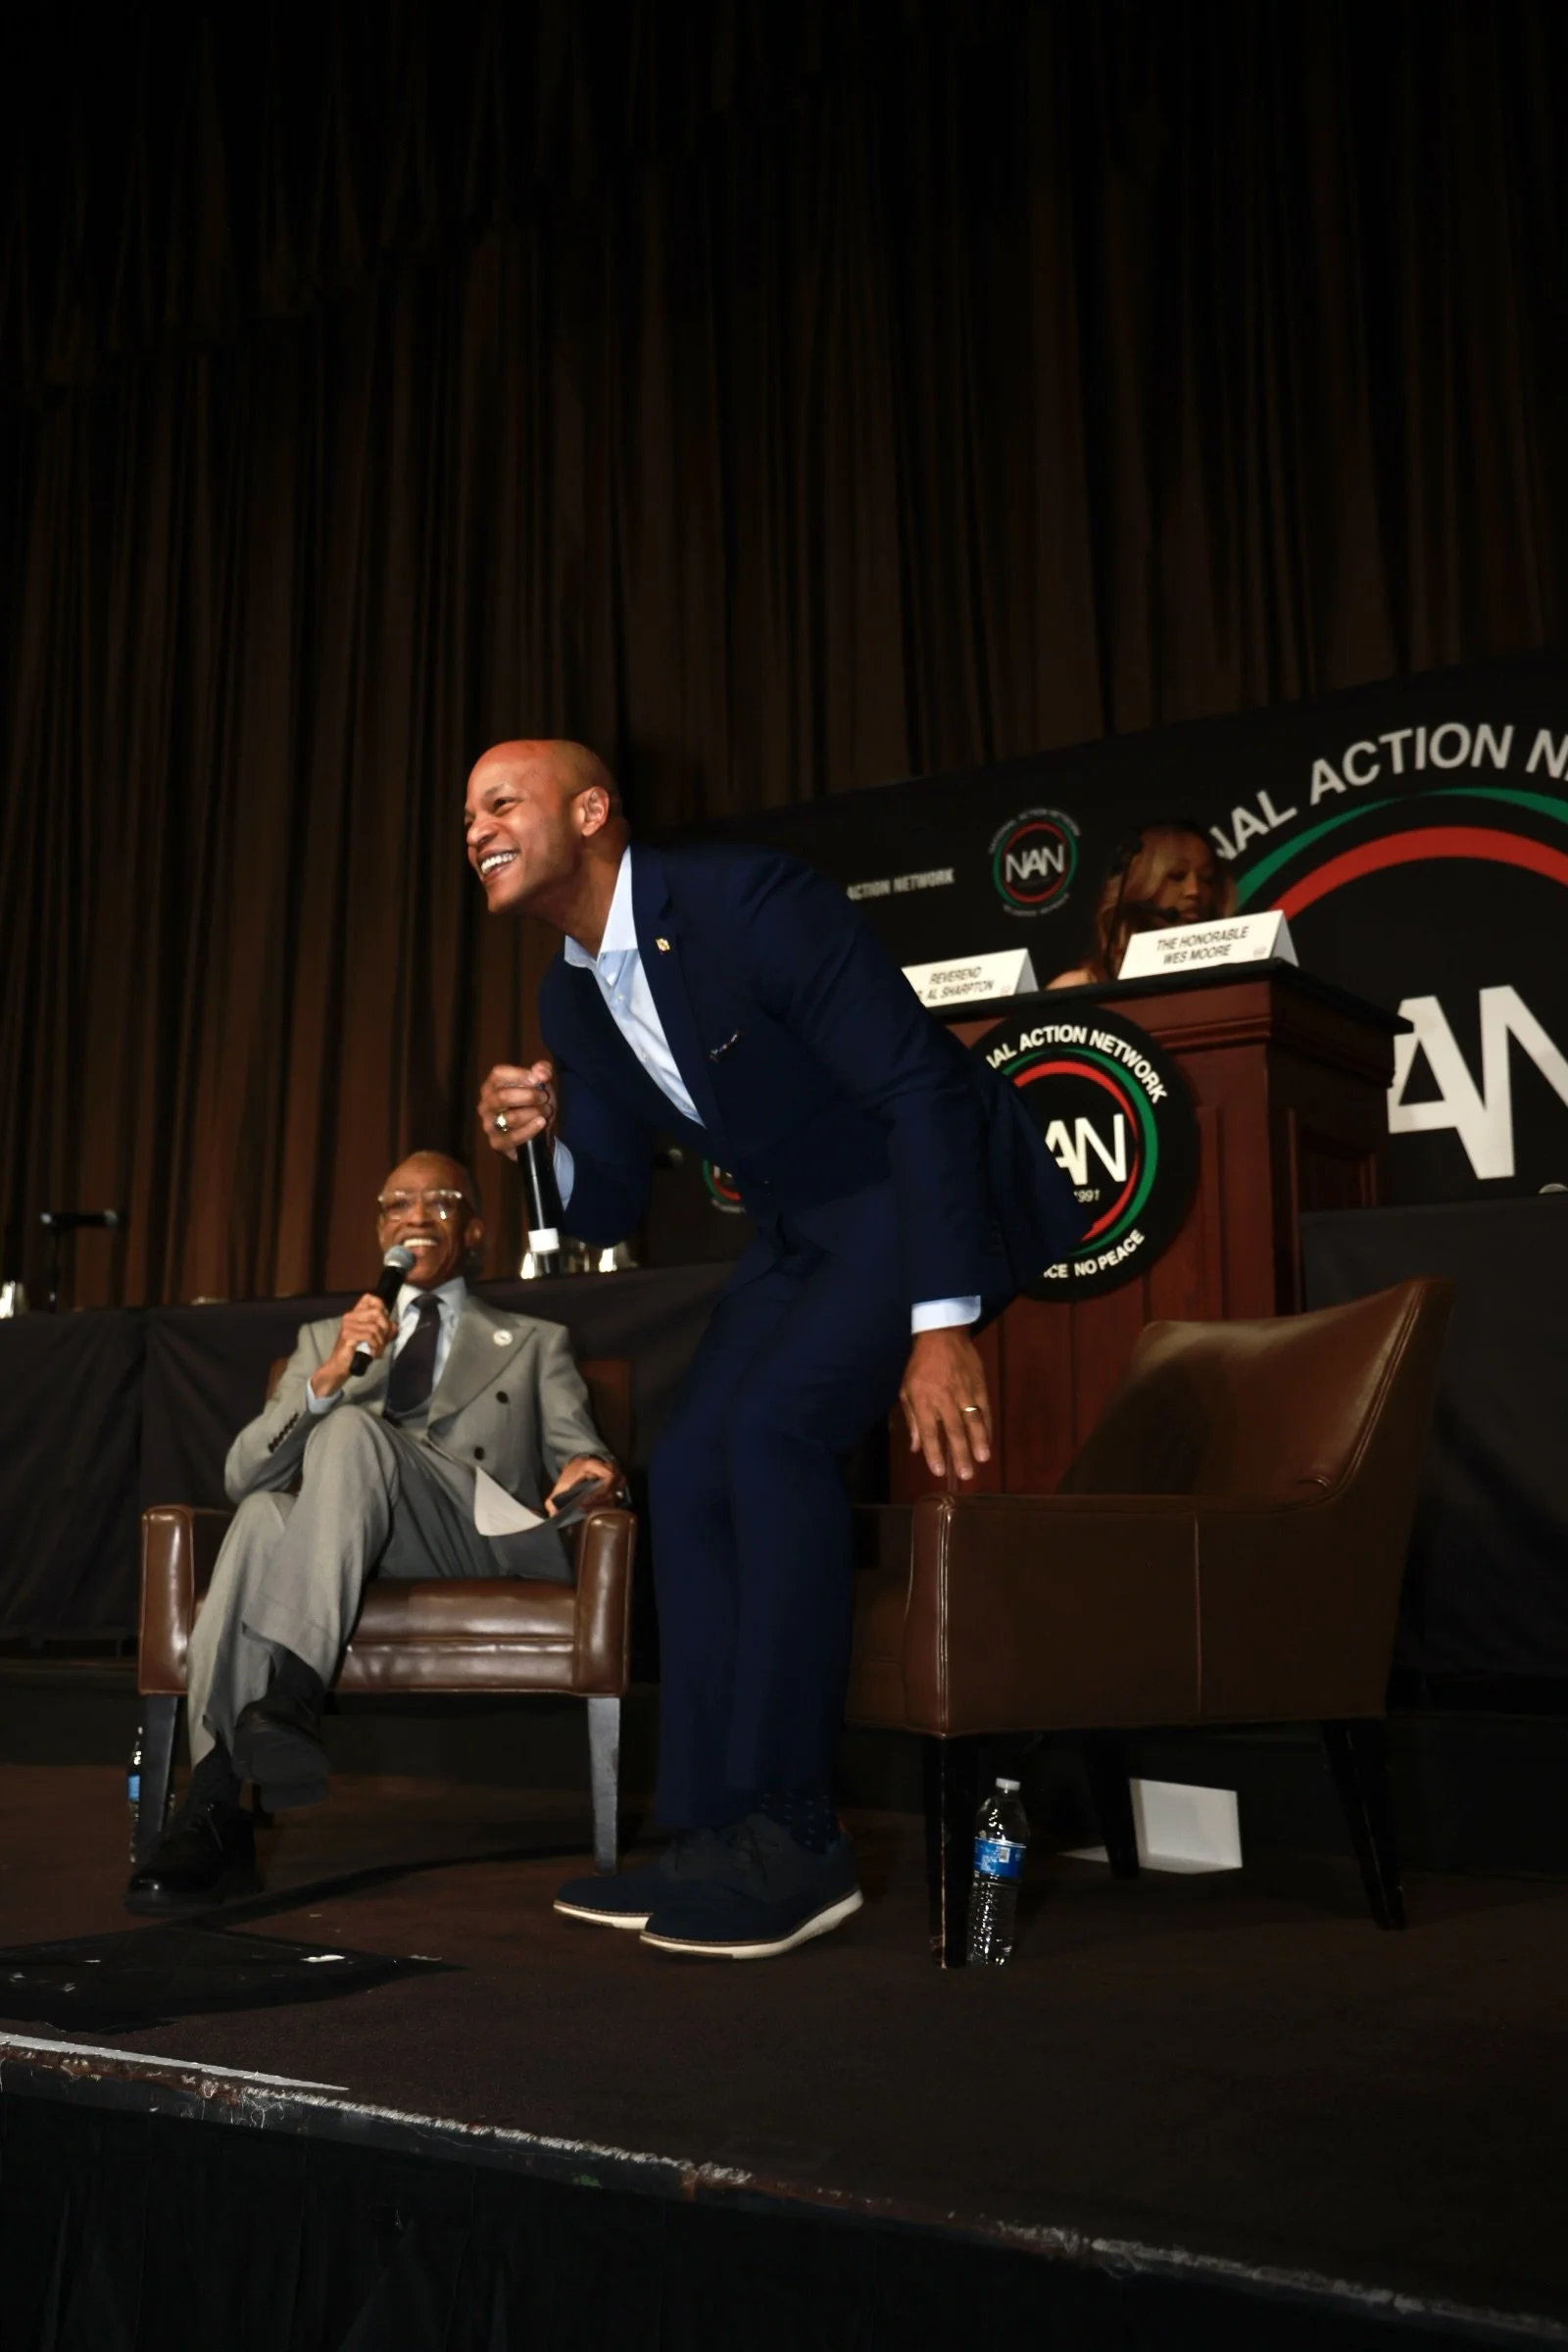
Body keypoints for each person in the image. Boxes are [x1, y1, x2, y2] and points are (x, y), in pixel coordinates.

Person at [466, 740, 1085, 1961]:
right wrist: (533, 1139)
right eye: (466, 815)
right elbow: (595, 1213)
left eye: (500, 803)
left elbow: (921, 1092)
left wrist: (942, 1322)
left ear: (591, 811)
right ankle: (712, 1828)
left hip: (909, 1192)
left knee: (770, 1434)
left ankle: (799, 1838)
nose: (473, 828)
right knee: (690, 1466)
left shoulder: (749, 902)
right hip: (804, 1225)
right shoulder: (568, 993)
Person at [125, 1150, 619, 1912]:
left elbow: (581, 1450)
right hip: (339, 1544)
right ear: (379, 1228)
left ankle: (290, 1698)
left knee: (354, 1436)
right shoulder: (327, 1337)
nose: (416, 1216)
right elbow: (241, 1477)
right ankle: (218, 1805)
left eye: (440, 1201)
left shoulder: (532, 1341)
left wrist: (590, 1467)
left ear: (477, 1229)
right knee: (261, 1514)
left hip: (467, 1536)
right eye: (397, 1205)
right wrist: (327, 1381)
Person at [1048, 818, 1235, 988]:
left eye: (1206, 879)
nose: (1194, 891)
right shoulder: (1081, 985)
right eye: (1177, 876)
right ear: (1140, 886)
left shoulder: (1241, 974)